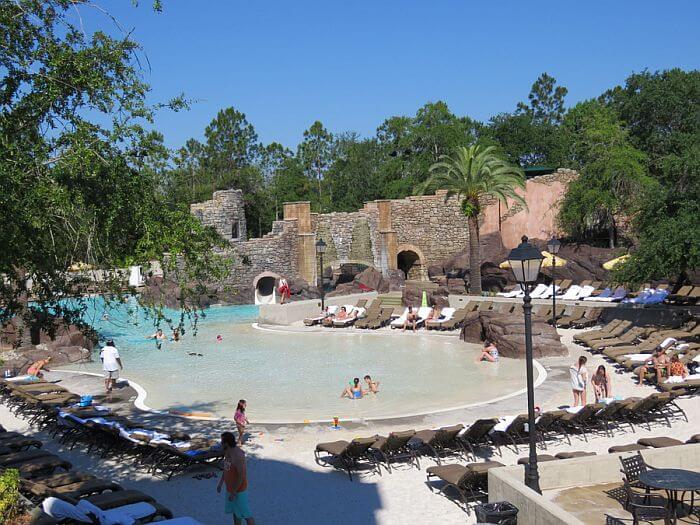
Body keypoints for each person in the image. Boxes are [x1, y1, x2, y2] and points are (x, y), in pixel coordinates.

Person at [217, 432, 255, 525]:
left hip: (239, 491)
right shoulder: (227, 452)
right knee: (235, 512)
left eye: (222, 441)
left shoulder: (238, 455)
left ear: (226, 443)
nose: (221, 443)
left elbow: (241, 476)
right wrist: (220, 483)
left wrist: (234, 492)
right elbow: (226, 469)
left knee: (246, 514)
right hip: (230, 489)